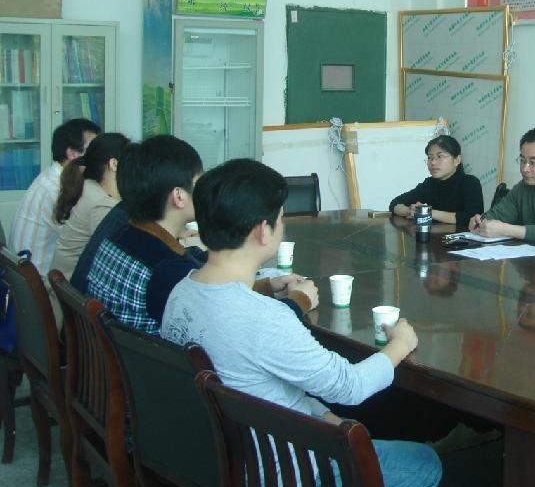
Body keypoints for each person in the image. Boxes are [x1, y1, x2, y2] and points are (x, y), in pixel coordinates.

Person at [161, 158, 442, 487]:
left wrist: (322, 415)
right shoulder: (264, 318)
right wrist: (400, 344)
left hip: (219, 457)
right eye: (280, 218)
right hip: (283, 473)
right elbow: (349, 386)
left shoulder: (181, 292)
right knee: (425, 463)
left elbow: (264, 387)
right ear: (262, 231)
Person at [85, 135, 316, 335]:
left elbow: (218, 300)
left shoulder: (121, 234)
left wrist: (264, 287)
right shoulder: (169, 272)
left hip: (123, 362)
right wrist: (298, 302)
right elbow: (236, 330)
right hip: (167, 370)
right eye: (199, 182)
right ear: (179, 196)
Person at [9, 118, 100, 274]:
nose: (98, 156)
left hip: (28, 276)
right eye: (93, 150)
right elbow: (83, 241)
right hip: (41, 282)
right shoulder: (56, 190)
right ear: (72, 153)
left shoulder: (52, 177)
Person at [51, 132, 131, 278]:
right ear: (114, 164)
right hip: (72, 288)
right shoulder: (102, 205)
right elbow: (122, 256)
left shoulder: (89, 186)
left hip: (64, 285)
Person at [390, 135, 484, 226]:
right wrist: (410, 211)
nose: (433, 162)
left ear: (456, 160)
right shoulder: (429, 184)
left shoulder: (470, 183)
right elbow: (395, 203)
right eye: (430, 157)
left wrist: (428, 212)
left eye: (440, 156)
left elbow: (472, 218)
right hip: (434, 236)